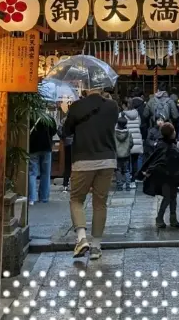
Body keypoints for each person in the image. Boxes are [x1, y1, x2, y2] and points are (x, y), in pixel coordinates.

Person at [62, 87, 119, 260]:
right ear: (102, 88)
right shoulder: (113, 106)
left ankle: (81, 238)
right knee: (100, 203)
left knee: (77, 199)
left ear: (86, 88)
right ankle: (96, 246)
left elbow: (66, 131)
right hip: (107, 159)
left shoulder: (77, 107)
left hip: (83, 159)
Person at [138, 122, 179, 229]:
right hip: (165, 176)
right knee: (168, 197)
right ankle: (159, 218)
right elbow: (158, 161)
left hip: (172, 176)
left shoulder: (167, 144)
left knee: (173, 197)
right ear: (171, 133)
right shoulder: (165, 146)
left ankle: (173, 218)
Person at [28, 108, 57, 205]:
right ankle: (44, 197)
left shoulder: (30, 117)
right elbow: (54, 131)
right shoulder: (48, 118)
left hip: (32, 148)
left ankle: (32, 198)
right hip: (46, 147)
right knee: (46, 173)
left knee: (32, 173)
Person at [121, 99, 144, 182]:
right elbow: (139, 124)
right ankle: (134, 179)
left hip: (126, 139)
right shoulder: (137, 114)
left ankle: (126, 179)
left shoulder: (122, 114)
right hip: (136, 140)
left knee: (126, 160)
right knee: (135, 161)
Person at [114, 115, 134, 191]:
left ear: (117, 124)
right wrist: (128, 149)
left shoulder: (114, 133)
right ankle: (128, 185)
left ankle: (119, 185)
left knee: (117, 170)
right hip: (126, 155)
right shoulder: (128, 133)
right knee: (127, 170)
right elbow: (131, 143)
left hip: (117, 155)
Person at [59, 115, 73, 194]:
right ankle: (76, 184)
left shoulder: (64, 119)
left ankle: (65, 184)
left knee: (67, 164)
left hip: (67, 143)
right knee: (77, 164)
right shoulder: (79, 118)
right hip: (77, 144)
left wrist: (64, 138)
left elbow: (59, 130)